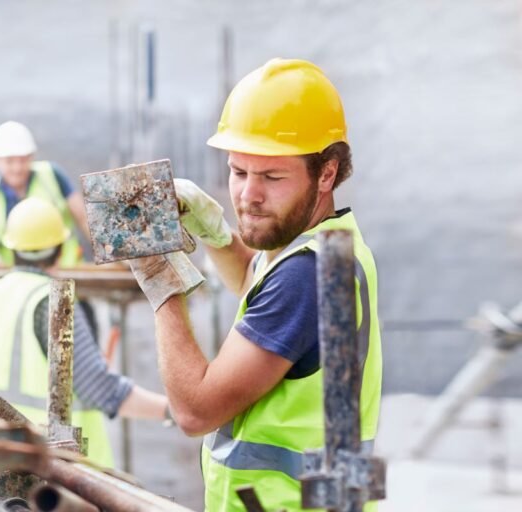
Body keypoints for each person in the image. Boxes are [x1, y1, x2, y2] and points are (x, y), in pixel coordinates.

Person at [128, 58, 382, 511]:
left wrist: (159, 279)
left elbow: (194, 411)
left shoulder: (306, 276)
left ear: (326, 172)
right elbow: (254, 281)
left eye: (271, 176)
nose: (248, 195)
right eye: (238, 172)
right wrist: (215, 232)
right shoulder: (331, 247)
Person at [0, 197, 168, 468]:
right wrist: (171, 410)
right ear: (60, 250)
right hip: (53, 474)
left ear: (9, 249)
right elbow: (100, 388)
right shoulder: (54, 303)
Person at [0, 120, 90, 267]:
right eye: (10, 161)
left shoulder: (52, 176)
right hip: (13, 281)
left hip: (63, 276)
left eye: (23, 159)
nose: (17, 168)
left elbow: (85, 219)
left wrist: (110, 252)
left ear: (32, 156)